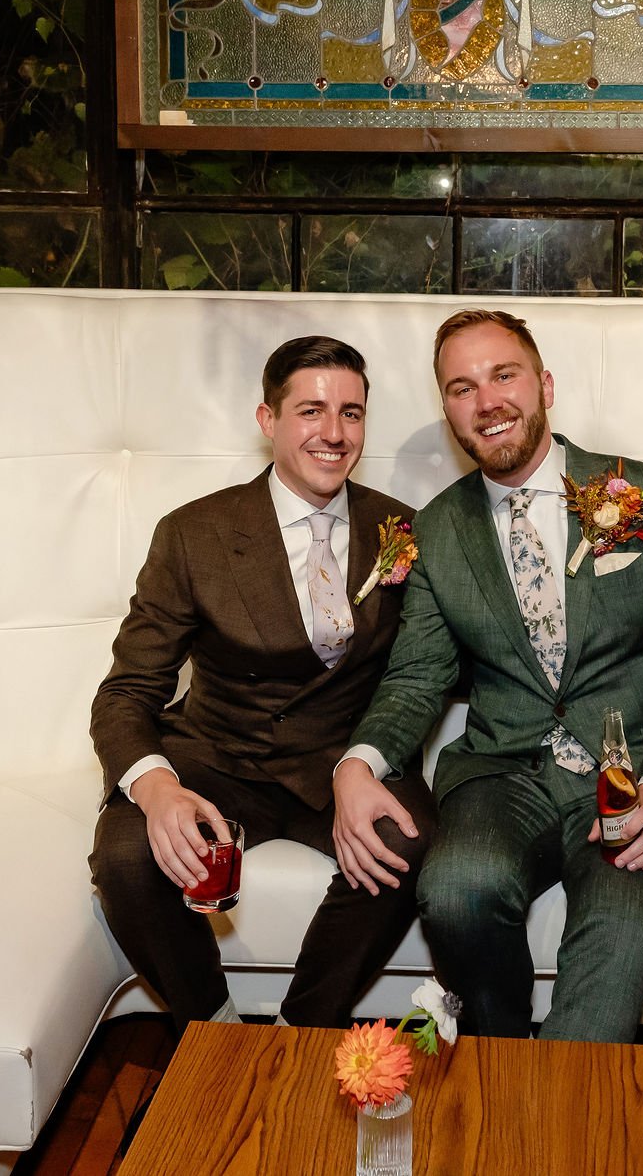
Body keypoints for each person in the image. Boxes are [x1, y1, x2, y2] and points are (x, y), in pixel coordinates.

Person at [331, 309, 643, 1043]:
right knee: (455, 888)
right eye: (462, 387)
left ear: (544, 385)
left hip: (632, 777)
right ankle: (499, 1064)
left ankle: (558, 1101)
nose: (487, 401)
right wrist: (358, 763)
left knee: (616, 945)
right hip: (502, 771)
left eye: (503, 375)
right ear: (448, 409)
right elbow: (416, 677)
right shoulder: (437, 531)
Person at [89, 336, 437, 1032]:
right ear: (267, 419)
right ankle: (214, 1029)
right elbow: (126, 692)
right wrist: (156, 789)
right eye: (311, 410)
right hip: (217, 756)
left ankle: (299, 1032)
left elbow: (426, 667)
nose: (334, 432)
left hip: (342, 759)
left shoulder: (401, 528)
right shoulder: (193, 533)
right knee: (125, 856)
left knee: (407, 842)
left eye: (351, 413)